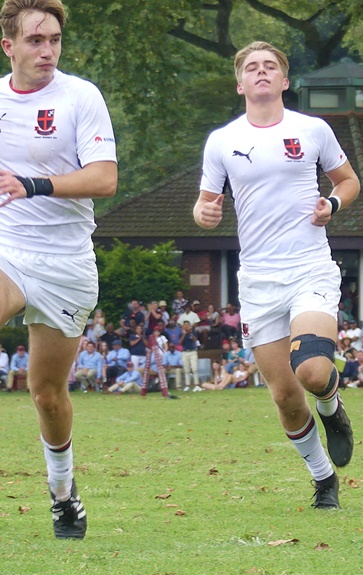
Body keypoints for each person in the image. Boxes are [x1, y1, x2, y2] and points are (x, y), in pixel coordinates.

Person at [193, 40, 359, 509]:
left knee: (311, 370)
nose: (261, 72)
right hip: (259, 280)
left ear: (285, 81)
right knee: (285, 395)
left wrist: (332, 203)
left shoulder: (312, 130)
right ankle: (322, 478)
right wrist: (203, 214)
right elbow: (205, 203)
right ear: (240, 82)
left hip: (309, 267)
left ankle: (333, 410)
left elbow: (348, 181)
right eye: (252, 67)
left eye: (271, 67)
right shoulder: (222, 141)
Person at [0, 0, 118, 539]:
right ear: (9, 47)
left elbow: (103, 180)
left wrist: (33, 184)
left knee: (47, 394)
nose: (46, 51)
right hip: (9, 247)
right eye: (34, 40)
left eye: (53, 40)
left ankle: (64, 494)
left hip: (68, 261)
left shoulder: (80, 96)